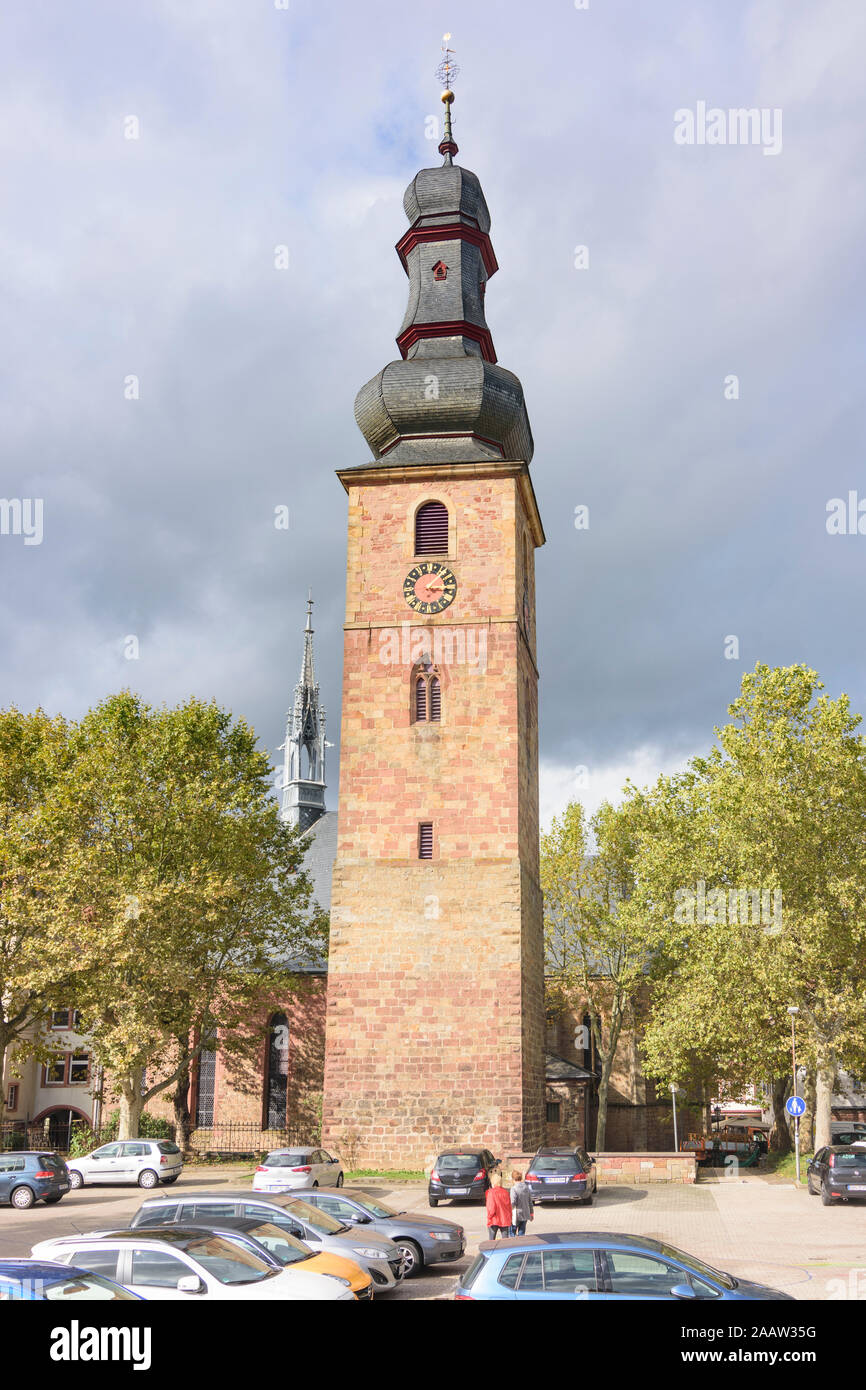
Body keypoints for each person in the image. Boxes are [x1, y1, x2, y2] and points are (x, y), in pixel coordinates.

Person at [485, 1172, 512, 1240]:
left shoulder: (491, 1192)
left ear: (493, 1182)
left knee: (492, 1240)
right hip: (504, 1218)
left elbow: (491, 1208)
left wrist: (489, 1217)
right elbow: (509, 1207)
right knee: (505, 1240)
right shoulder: (505, 1192)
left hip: (494, 1219)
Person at [510, 1168, 534, 1236]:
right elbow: (530, 1202)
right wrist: (531, 1213)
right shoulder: (526, 1187)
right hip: (525, 1214)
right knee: (521, 1234)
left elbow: (513, 1202)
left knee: (512, 1234)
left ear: (513, 1179)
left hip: (516, 1215)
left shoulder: (513, 1189)